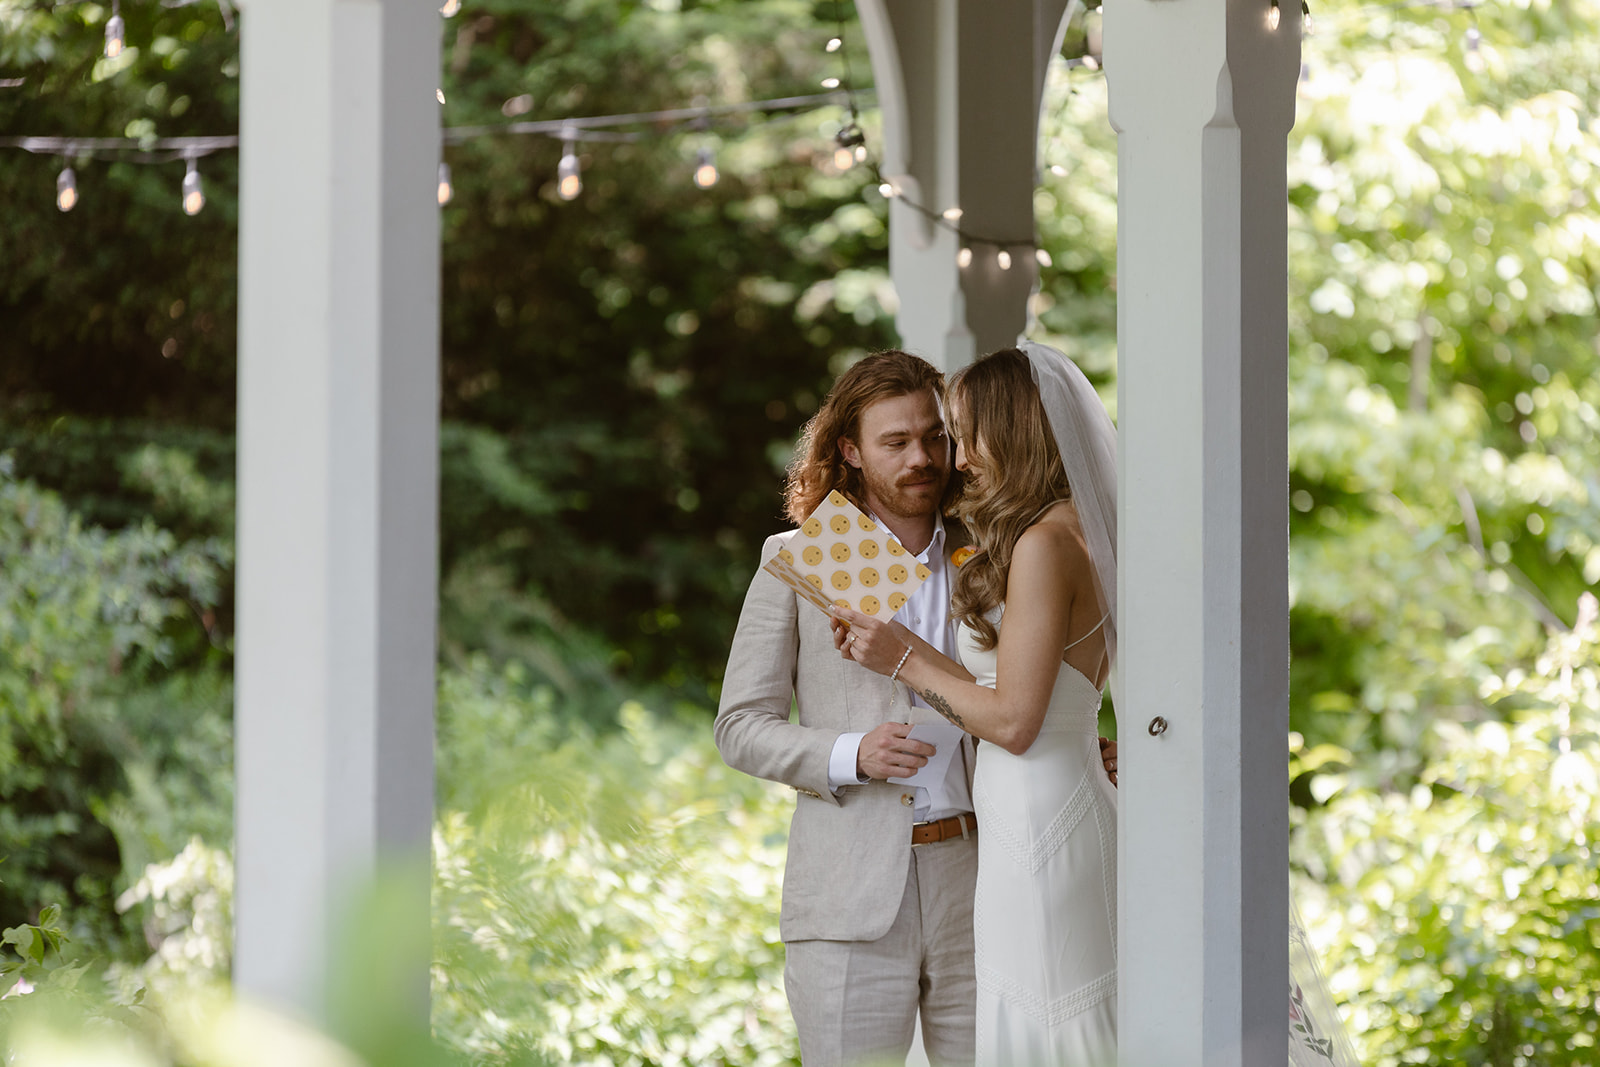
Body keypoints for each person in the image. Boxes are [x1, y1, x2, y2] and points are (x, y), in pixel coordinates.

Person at [831, 344, 1120, 1066]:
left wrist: (906, 655)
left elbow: (1016, 721)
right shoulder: (1069, 530)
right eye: (902, 441)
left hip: (1034, 821)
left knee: (1051, 1015)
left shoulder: (1044, 543)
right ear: (852, 451)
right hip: (1033, 810)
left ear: (1014, 429)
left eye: (961, 435)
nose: (954, 459)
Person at [715, 348, 983, 1067]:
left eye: (934, 436)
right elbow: (739, 725)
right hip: (846, 896)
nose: (921, 457)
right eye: (895, 442)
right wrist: (849, 753)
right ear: (850, 450)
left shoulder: (989, 555)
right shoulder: (805, 556)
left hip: (981, 882)